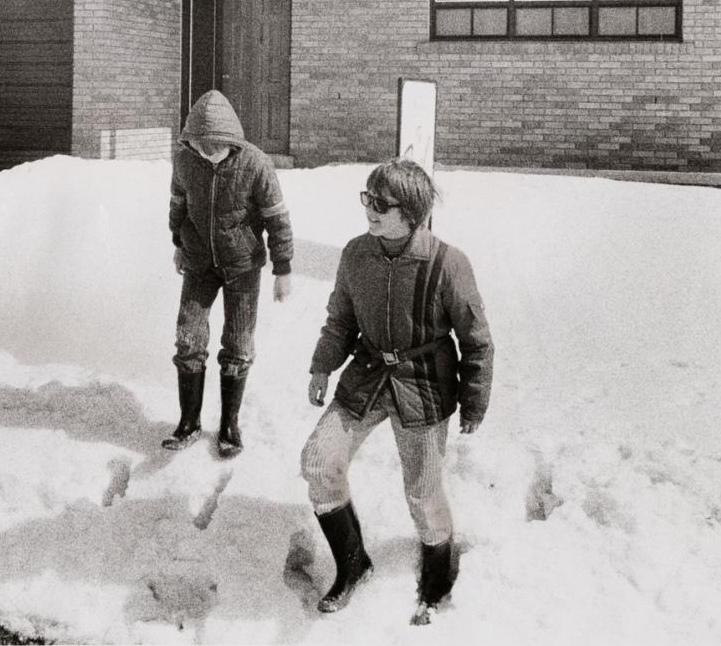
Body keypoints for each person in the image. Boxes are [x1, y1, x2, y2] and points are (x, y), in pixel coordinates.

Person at [299, 158, 493, 625]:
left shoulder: (448, 263)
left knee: (423, 492)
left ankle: (436, 582)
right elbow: (340, 319)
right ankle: (352, 564)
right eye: (367, 198)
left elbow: (476, 338)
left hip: (424, 385)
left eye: (381, 204)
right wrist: (323, 366)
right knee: (318, 462)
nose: (370, 209)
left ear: (412, 212)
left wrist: (474, 400)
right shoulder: (355, 254)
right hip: (366, 377)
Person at [165, 90, 294, 458]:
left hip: (242, 267)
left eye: (217, 148)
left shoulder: (256, 164)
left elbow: (278, 220)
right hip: (199, 264)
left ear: (231, 142)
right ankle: (188, 422)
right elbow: (179, 204)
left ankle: (229, 426)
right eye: (202, 147)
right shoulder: (185, 160)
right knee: (188, 338)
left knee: (237, 345)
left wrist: (283, 270)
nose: (210, 154)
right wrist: (178, 242)